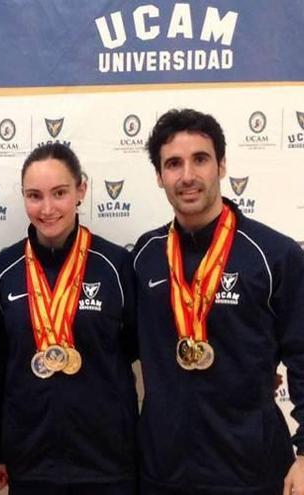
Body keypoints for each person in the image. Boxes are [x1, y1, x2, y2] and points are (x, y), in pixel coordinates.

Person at [133, 108, 304, 495]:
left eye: (200, 159)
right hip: (164, 470)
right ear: (159, 177)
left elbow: (302, 353)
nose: (188, 175)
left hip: (250, 469)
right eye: (173, 164)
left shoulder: (273, 253)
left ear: (221, 166)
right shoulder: (146, 254)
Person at [0, 144, 138, 494]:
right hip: (32, 461)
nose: (47, 209)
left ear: (81, 190)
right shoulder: (3, 271)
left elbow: (134, 349)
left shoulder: (116, 266)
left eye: (59, 193)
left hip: (108, 462)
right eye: (34, 196)